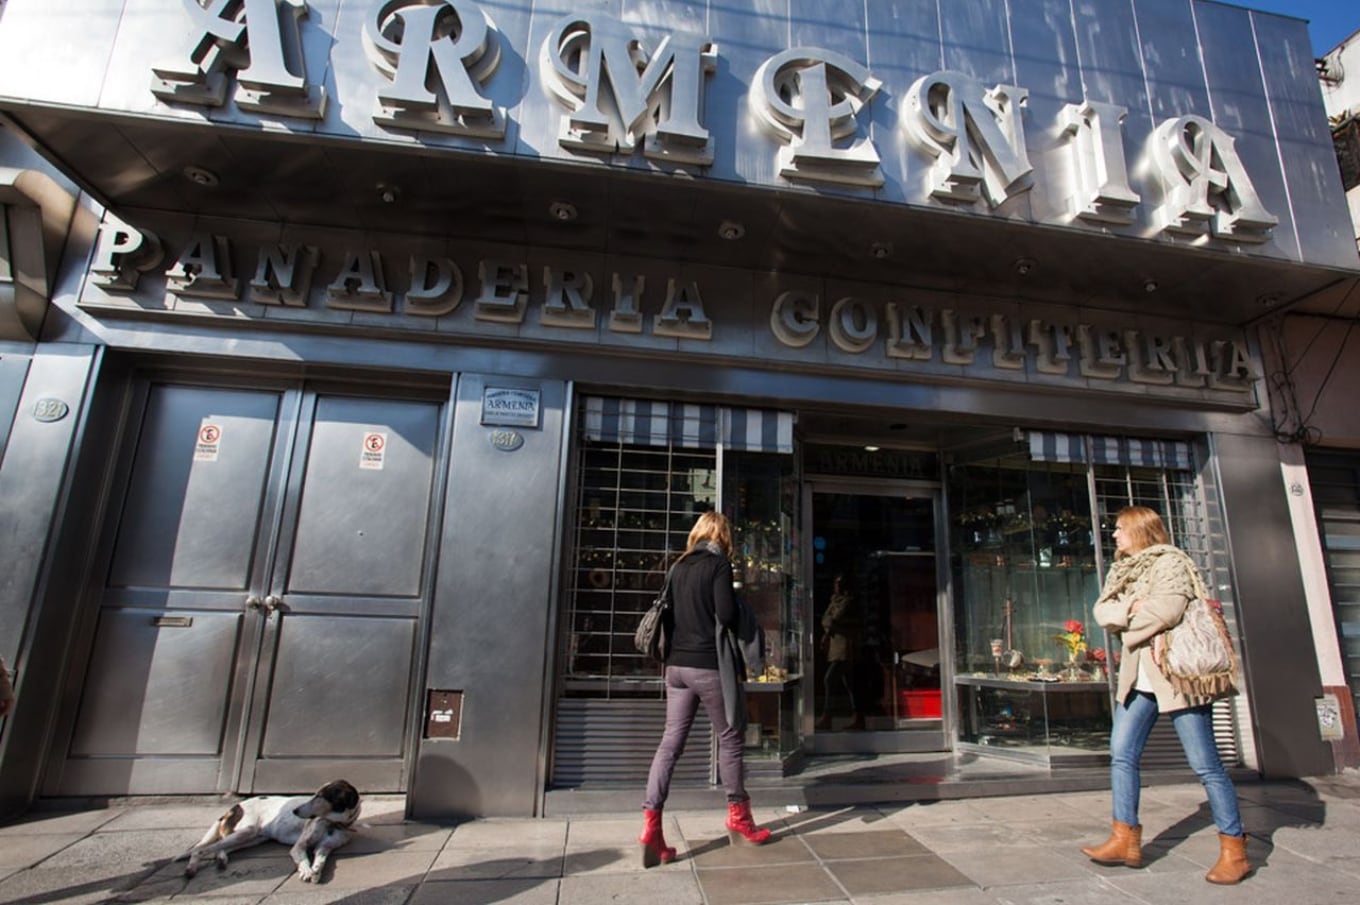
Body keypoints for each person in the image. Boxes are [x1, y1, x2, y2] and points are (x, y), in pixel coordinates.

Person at [1081, 505, 1250, 885]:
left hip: (1177, 676)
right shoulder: (1122, 569)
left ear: (1140, 530)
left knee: (1205, 764)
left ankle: (1234, 848)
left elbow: (1167, 611)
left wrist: (1127, 621)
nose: (1114, 536)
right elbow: (1100, 610)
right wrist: (1132, 610)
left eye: (1120, 529)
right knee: (1122, 754)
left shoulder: (1171, 562)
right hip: (1138, 679)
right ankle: (1124, 837)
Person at [639, 511, 771, 868]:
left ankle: (652, 825)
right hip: (708, 666)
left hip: (676, 668)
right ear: (722, 535)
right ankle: (739, 819)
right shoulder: (718, 566)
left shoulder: (677, 567)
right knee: (730, 737)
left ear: (697, 534)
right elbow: (726, 615)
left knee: (670, 742)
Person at [817, 575, 864, 730]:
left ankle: (828, 715)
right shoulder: (834, 601)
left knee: (829, 679)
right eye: (835, 583)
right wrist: (831, 625)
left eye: (839, 583)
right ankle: (858, 717)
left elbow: (833, 619)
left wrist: (832, 626)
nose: (836, 586)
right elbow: (825, 619)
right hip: (836, 645)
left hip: (845, 647)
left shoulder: (847, 602)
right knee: (849, 682)